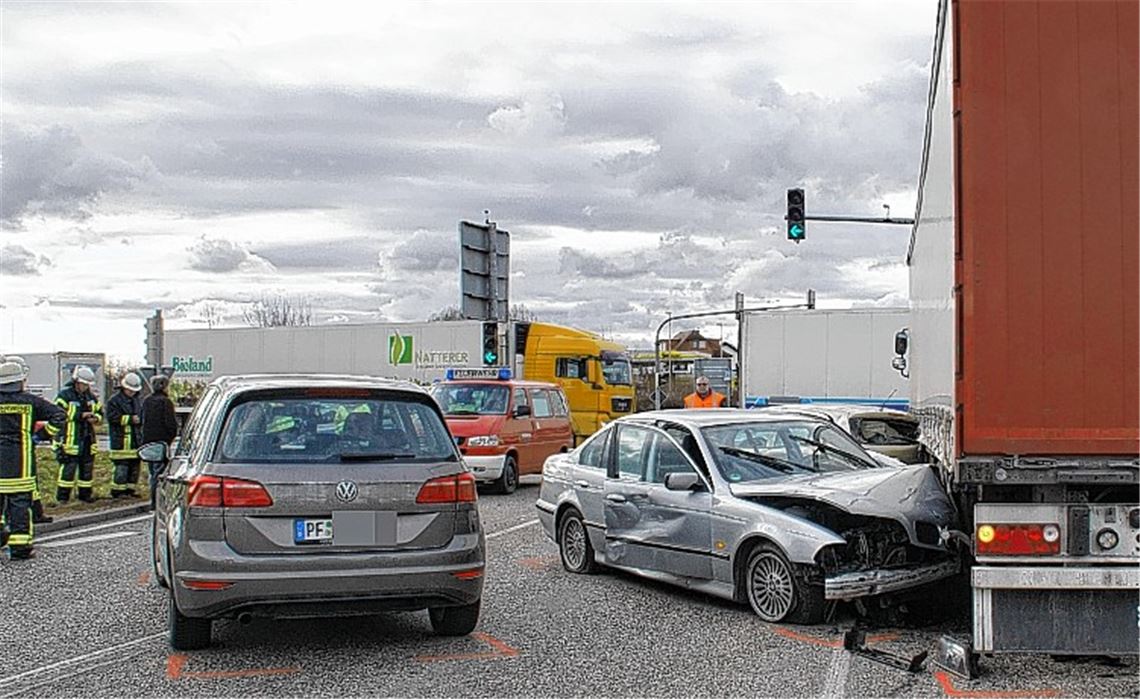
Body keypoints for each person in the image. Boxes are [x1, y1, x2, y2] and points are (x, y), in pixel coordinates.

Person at [0, 360, 66, 560]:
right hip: (21, 464)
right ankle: (20, 549)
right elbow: (59, 416)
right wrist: (42, 435)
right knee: (19, 506)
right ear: (20, 381)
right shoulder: (30, 402)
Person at [54, 365, 103, 503]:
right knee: (68, 470)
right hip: (71, 439)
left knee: (86, 470)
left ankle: (85, 495)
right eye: (83, 384)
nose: (85, 387)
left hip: (88, 439)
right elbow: (59, 414)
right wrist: (80, 415)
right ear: (76, 381)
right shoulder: (64, 396)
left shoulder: (91, 397)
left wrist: (96, 418)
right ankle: (63, 498)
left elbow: (100, 412)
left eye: (87, 385)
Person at [141, 375, 178, 510]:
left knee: (153, 473)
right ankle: (157, 503)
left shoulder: (146, 401)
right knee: (159, 474)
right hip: (162, 442)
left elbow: (142, 420)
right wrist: (170, 438)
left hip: (148, 443)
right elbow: (170, 424)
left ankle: (154, 501)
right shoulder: (166, 402)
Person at [107, 372, 144, 498]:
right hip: (121, 441)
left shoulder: (137, 401)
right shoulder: (114, 401)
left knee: (134, 468)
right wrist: (130, 419)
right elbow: (112, 418)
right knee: (121, 467)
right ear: (124, 387)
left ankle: (130, 490)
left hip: (135, 440)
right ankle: (118, 492)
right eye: (130, 390)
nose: (132, 392)